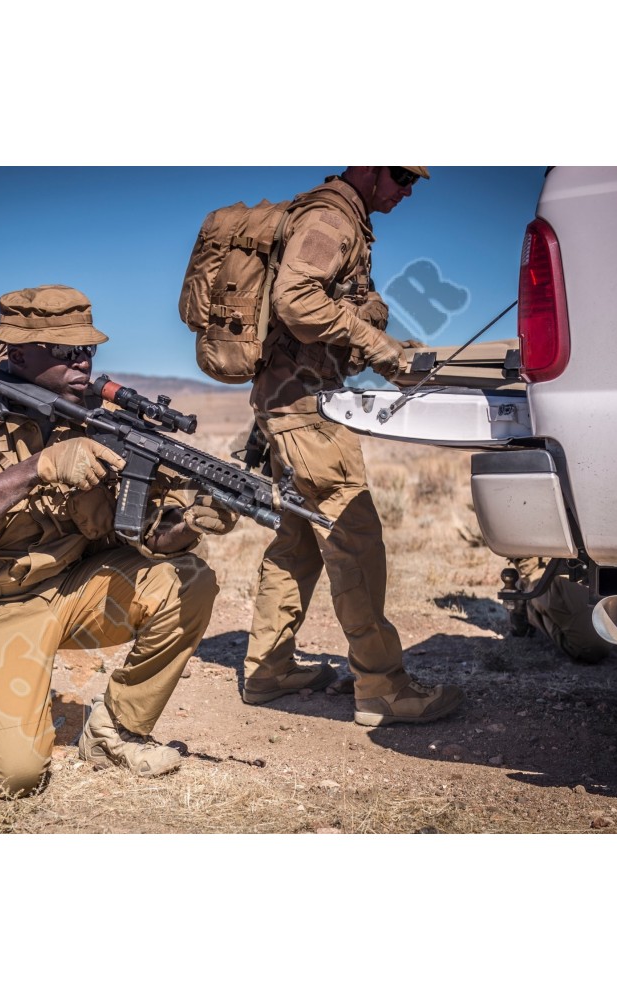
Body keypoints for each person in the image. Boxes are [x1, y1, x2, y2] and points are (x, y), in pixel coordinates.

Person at [0, 285, 232, 798]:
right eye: (65, 350)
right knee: (11, 777)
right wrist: (38, 468)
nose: (82, 361)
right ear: (18, 353)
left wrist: (190, 524)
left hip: (75, 589)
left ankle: (115, 734)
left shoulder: (99, 420)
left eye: (87, 349)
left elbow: (140, 532)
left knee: (188, 579)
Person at [242, 166, 463, 726]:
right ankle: (383, 688)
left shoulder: (339, 218)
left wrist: (390, 349)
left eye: (414, 182)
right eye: (401, 175)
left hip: (289, 403)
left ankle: (268, 669)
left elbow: (330, 319)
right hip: (305, 411)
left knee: (296, 542)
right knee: (353, 538)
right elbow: (296, 301)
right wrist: (382, 350)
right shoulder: (330, 219)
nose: (406, 191)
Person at [507, 557, 611, 664]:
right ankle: (525, 595)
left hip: (597, 564)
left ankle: (525, 598)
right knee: (593, 645)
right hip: (555, 565)